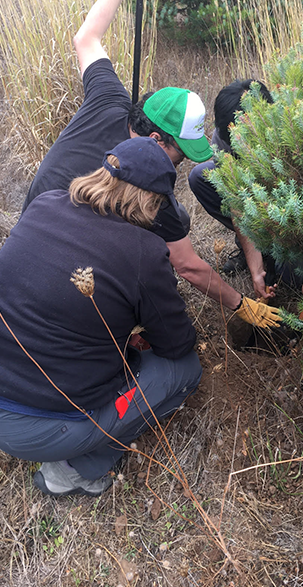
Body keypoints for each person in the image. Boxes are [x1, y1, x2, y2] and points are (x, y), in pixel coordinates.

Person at [20, 0, 282, 326]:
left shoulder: (110, 97)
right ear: (158, 141)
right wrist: (242, 305)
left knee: (176, 220)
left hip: (28, 227)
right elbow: (189, 266)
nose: (177, 168)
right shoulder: (144, 185)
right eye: (180, 153)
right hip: (65, 266)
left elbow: (86, 38)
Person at [0, 137, 202, 497]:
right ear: (152, 202)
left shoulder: (44, 204)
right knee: (185, 370)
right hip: (49, 426)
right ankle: (73, 471)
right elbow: (177, 343)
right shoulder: (143, 250)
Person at [189, 79, 281, 298]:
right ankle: (258, 248)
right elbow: (237, 204)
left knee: (290, 276)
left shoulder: (285, 137)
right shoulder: (224, 136)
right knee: (199, 176)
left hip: (282, 207)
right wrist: (256, 270)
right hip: (250, 197)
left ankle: (276, 249)